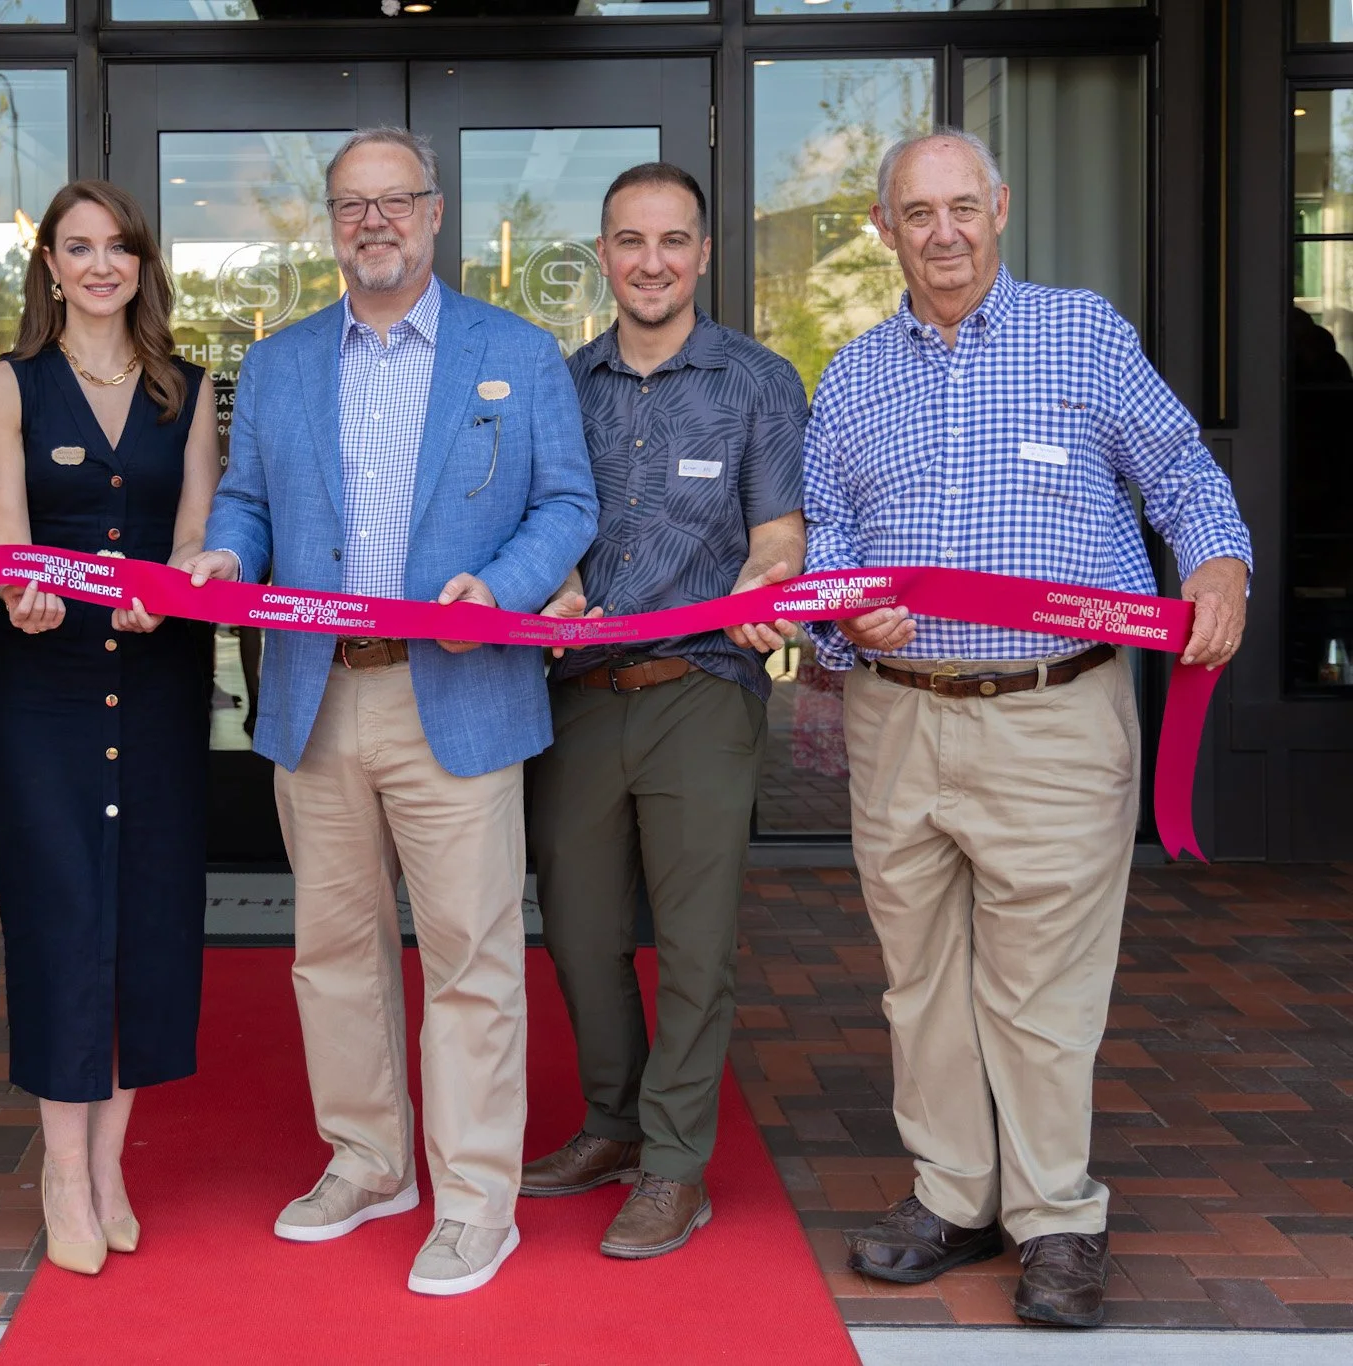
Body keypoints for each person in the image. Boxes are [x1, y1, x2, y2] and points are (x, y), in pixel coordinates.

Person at [805, 128, 1251, 1328]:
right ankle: (950, 1193)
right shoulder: (849, 374)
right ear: (882, 227)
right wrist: (850, 619)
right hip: (896, 719)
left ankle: (1055, 1216)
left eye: (961, 206)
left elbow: (1180, 475)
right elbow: (826, 541)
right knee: (919, 983)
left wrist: (1217, 566)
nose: (941, 232)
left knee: (1041, 988)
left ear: (999, 207)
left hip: (1055, 713)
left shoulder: (1084, 335)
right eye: (915, 212)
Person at [181, 126, 597, 1298]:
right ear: (331, 225)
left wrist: (504, 590)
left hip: (455, 693)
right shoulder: (275, 365)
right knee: (331, 950)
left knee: (470, 958)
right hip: (315, 693)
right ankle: (368, 1162)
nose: (372, 222)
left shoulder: (512, 351)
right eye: (350, 206)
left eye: (393, 202)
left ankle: (473, 1202)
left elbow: (566, 504)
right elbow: (251, 502)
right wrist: (223, 552)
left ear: (432, 213)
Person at [524, 162, 808, 1258]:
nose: (651, 261)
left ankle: (674, 1163)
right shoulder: (562, 384)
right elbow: (544, 523)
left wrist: (766, 573)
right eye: (628, 241)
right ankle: (610, 1120)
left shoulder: (756, 381)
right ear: (601, 254)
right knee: (582, 932)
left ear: (700, 253)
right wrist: (547, 582)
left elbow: (777, 529)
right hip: (580, 696)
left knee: (693, 945)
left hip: (701, 685)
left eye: (672, 241)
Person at [0, 180, 220, 1277]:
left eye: (118, 247)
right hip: (44, 682)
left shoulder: (191, 391)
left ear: (142, 262)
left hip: (159, 675)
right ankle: (60, 1170)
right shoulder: (7, 384)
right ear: (50, 265)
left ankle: (111, 1167)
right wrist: (26, 593)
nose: (100, 265)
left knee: (147, 917)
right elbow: (9, 543)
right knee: (63, 915)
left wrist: (177, 586)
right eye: (79, 247)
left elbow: (199, 539)